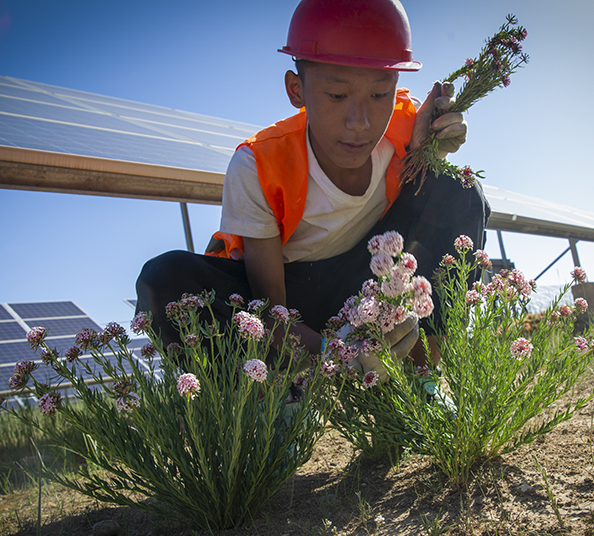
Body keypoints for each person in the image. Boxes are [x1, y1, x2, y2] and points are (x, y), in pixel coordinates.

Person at [136, 0, 489, 370]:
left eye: (380, 95)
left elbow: (432, 213)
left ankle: (420, 383)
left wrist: (427, 157)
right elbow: (270, 311)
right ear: (296, 90)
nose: (360, 122)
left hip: (364, 284)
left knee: (460, 192)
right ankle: (268, 411)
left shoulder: (407, 128)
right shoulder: (257, 167)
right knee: (165, 280)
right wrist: (337, 357)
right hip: (289, 300)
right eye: (337, 95)